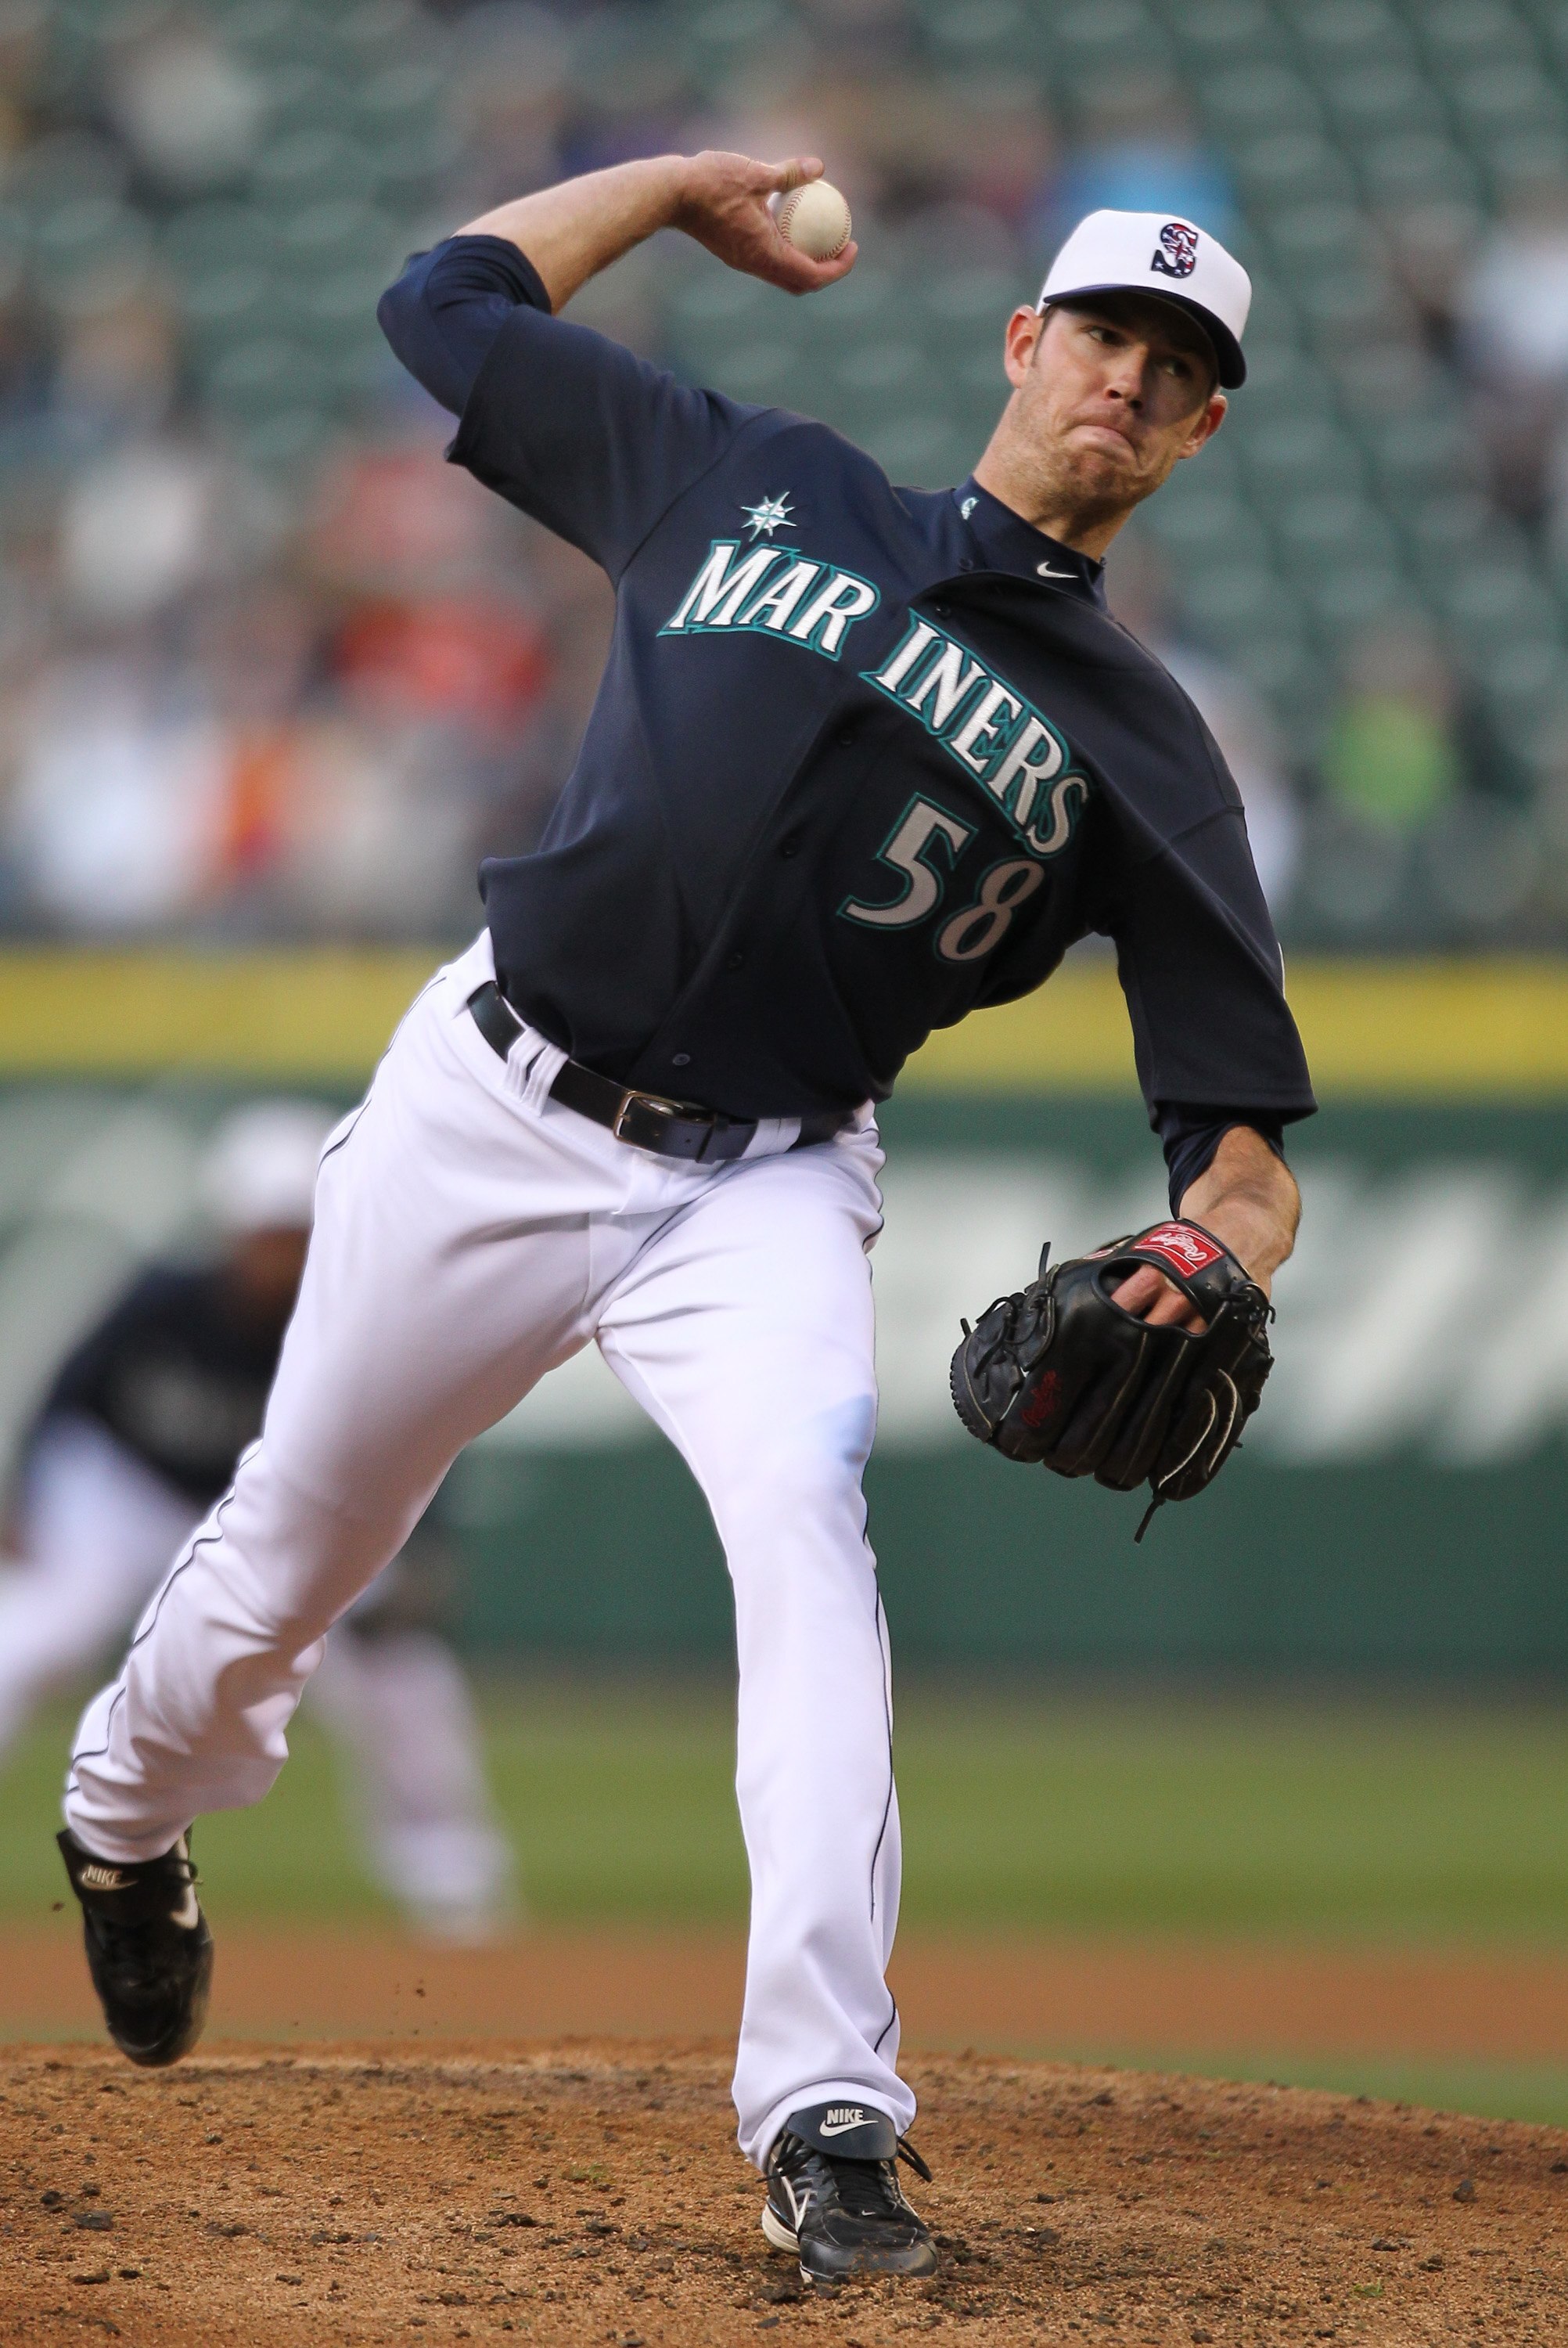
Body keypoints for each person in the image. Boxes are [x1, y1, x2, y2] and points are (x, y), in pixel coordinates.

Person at [56, 165, 1310, 2287]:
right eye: (1104, 332)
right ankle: (125, 1809)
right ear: (1022, 345)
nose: (1129, 376)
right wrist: (677, 189)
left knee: (809, 1540)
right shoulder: (753, 474)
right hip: (489, 1100)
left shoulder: (1141, 750)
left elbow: (1244, 1155)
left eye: (1176, 371)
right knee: (288, 1557)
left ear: (1197, 436)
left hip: (766, 1180)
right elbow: (436, 300)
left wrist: (1204, 1260)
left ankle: (829, 2121)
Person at [13, 1101, 512, 1939]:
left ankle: (453, 1878)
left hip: (274, 1513)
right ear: (229, 1229)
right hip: (132, 1497)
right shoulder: (163, 1303)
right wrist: (24, 1500)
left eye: (294, 1229)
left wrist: (418, 1555)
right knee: (32, 1632)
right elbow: (67, 1396)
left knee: (398, 1674)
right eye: (264, 1230)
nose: (278, 1250)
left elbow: (415, 1437)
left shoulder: (353, 1325)